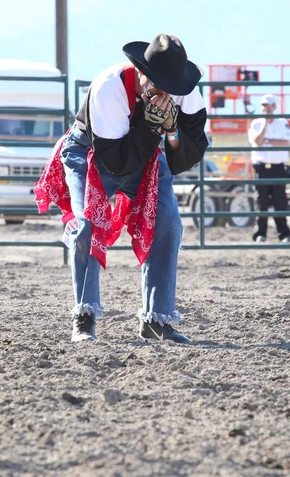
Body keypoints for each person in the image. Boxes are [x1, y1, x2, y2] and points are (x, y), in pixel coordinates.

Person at [34, 33, 208, 344]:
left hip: (145, 155)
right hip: (91, 153)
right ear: (140, 72)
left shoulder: (187, 95)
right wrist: (154, 126)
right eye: (156, 83)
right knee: (86, 224)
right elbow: (117, 162)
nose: (164, 93)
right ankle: (84, 317)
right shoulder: (109, 88)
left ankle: (157, 320)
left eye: (170, 86)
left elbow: (191, 150)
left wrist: (171, 131)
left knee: (167, 223)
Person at [248, 94, 290, 243]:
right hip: (262, 168)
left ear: (274, 106)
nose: (265, 108)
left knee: (280, 202)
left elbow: (286, 141)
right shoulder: (256, 123)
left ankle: (284, 234)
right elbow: (257, 141)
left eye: (268, 105)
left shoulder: (282, 122)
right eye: (263, 105)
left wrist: (268, 140)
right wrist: (265, 126)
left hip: (278, 169)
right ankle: (260, 234)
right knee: (262, 203)